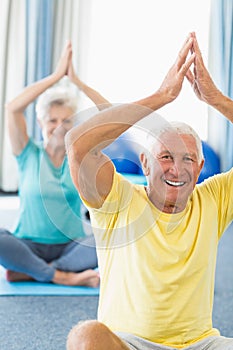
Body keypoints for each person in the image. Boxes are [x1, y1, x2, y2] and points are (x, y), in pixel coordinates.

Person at [65, 32, 233, 349]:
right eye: (165, 157)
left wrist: (216, 99)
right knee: (87, 336)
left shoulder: (214, 198)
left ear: (199, 168)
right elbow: (77, 145)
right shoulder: (117, 198)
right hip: (130, 343)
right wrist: (162, 96)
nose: (176, 169)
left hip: (201, 344)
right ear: (145, 163)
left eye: (188, 160)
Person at [0, 41, 111, 287]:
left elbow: (111, 115)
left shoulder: (81, 157)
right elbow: (12, 108)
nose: (60, 126)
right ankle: (64, 277)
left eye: (67, 120)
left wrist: (78, 83)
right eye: (52, 120)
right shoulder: (27, 152)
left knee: (108, 236)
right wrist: (56, 77)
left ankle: (35, 272)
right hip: (26, 243)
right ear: (41, 124)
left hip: (68, 248)